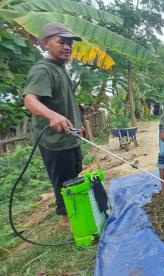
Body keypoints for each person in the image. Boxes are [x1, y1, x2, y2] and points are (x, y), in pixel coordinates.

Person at [22, 22, 89, 225]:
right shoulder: (43, 69)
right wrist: (53, 117)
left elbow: (64, 105)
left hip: (70, 137)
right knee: (63, 180)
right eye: (62, 42)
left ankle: (77, 213)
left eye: (70, 43)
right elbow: (30, 100)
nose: (67, 47)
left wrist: (78, 127)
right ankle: (68, 220)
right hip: (55, 142)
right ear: (45, 43)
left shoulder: (60, 69)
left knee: (75, 177)